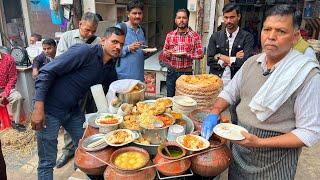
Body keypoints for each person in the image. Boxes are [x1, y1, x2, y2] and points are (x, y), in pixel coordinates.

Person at [201, 5, 320, 179]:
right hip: (240, 153)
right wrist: (214, 111)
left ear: (295, 37)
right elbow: (230, 92)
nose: (271, 36)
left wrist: (260, 143)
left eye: (281, 31)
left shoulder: (306, 75)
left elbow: (309, 132)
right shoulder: (251, 63)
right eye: (267, 29)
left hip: (273, 163)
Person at [31, 27, 124, 180]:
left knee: (84, 149)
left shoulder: (109, 65)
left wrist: (127, 100)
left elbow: (116, 87)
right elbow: (46, 72)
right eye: (114, 42)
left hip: (73, 110)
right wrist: (38, 107)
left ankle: (78, 176)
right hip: (50, 110)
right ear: (103, 41)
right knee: (47, 161)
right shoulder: (84, 52)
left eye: (121, 43)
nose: (118, 47)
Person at [55, 12, 100, 168]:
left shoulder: (97, 41)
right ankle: (69, 150)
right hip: (72, 88)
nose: (90, 34)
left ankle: (88, 151)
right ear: (80, 24)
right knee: (71, 119)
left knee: (92, 119)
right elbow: (59, 61)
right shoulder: (67, 37)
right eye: (87, 30)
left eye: (93, 31)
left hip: (91, 87)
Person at [207, 3, 254, 124]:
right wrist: (233, 59)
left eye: (232, 17)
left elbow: (245, 62)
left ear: (239, 16)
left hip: (236, 83)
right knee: (213, 113)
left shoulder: (247, 37)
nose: (228, 20)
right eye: (226, 17)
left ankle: (233, 142)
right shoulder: (215, 37)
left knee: (235, 116)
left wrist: (221, 56)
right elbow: (210, 60)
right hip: (216, 82)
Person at [160, 9, 204, 97]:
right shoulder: (170, 35)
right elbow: (164, 52)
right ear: (175, 20)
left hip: (186, 73)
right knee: (171, 99)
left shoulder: (195, 36)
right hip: (171, 72)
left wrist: (187, 55)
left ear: (187, 19)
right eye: (179, 18)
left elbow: (200, 54)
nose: (181, 20)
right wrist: (167, 54)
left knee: (185, 100)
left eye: (184, 18)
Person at [116, 0, 146, 81]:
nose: (137, 16)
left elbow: (141, 50)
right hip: (124, 77)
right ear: (128, 14)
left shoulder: (142, 30)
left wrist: (145, 52)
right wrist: (128, 48)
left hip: (139, 75)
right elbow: (113, 51)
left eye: (140, 13)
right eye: (134, 13)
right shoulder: (120, 28)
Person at [0, 52, 25, 131]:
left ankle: (15, 122)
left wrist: (5, 94)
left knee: (17, 97)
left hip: (6, 88)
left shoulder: (9, 59)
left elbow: (13, 77)